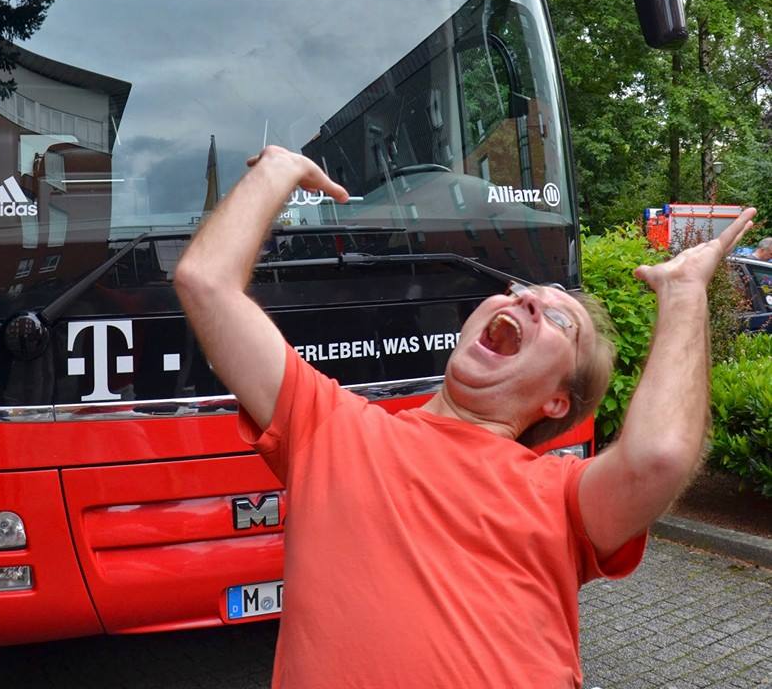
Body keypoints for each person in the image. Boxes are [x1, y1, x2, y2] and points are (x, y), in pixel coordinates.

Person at [174, 146, 756, 689]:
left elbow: (657, 456)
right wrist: (276, 170)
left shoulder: (562, 497)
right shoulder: (328, 427)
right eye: (521, 290)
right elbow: (206, 282)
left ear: (557, 402)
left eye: (561, 321)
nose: (528, 299)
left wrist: (684, 292)